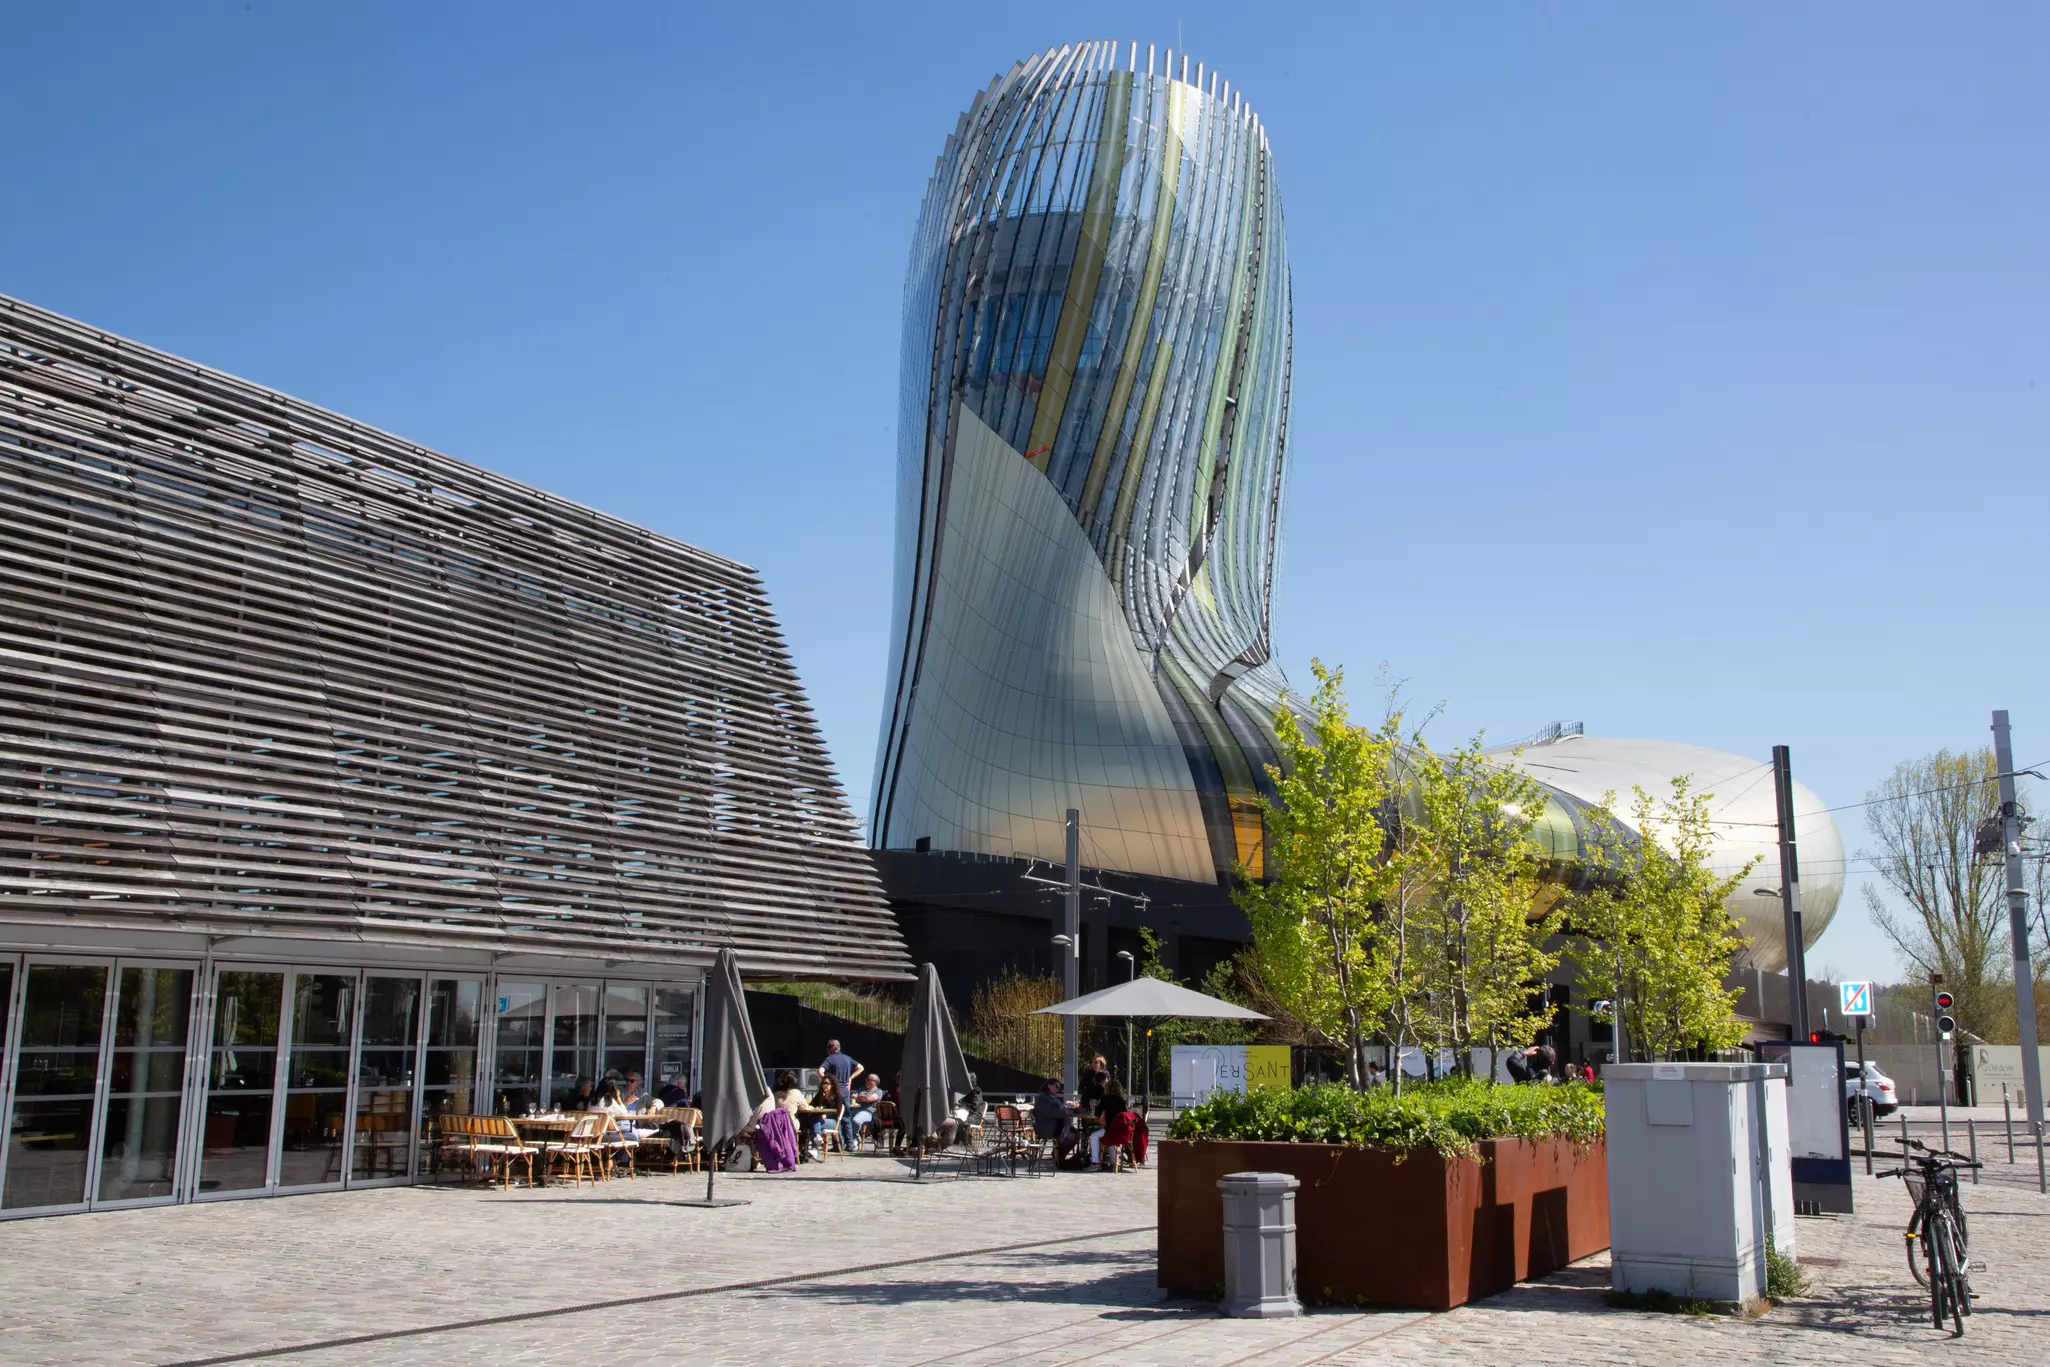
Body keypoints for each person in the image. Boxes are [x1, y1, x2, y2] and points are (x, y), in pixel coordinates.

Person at [1087, 1080, 1129, 1167]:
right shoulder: (1121, 1101)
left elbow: (1097, 1113)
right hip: (1120, 1131)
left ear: (1107, 1089)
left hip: (1110, 1130)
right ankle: (1114, 1162)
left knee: (1094, 1136)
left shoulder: (1106, 1099)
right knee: (1111, 1138)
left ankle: (1095, 1162)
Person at [806, 1073, 844, 1158]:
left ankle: (815, 1147)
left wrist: (826, 1115)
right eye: (823, 1083)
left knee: (814, 1121)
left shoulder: (838, 1097)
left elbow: (838, 1112)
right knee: (814, 1120)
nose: (824, 1085)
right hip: (819, 1120)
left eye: (827, 1083)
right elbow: (812, 1105)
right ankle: (816, 1144)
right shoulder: (820, 1095)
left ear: (832, 1084)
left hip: (832, 1121)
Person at [845, 1072, 882, 1150]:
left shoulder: (878, 1091)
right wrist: (863, 1097)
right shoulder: (861, 1089)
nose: (866, 1081)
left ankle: (854, 1140)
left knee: (855, 1120)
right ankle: (845, 1141)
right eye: (866, 1079)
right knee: (844, 1119)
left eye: (868, 1079)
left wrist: (859, 1097)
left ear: (874, 1082)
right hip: (855, 1109)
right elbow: (853, 1096)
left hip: (868, 1112)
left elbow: (869, 1099)